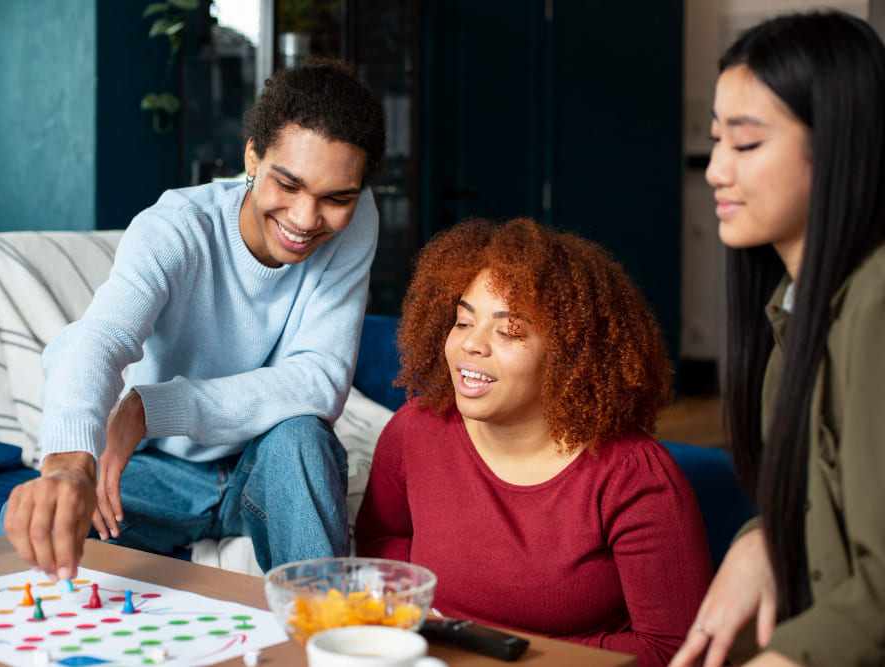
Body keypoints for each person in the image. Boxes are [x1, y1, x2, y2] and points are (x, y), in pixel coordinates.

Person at [0, 56, 387, 581]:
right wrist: (67, 463)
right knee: (12, 541)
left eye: (335, 199)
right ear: (252, 157)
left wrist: (156, 407)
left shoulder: (355, 223)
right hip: (159, 475)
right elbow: (101, 337)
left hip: (266, 469)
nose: (306, 219)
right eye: (287, 185)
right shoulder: (177, 227)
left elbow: (319, 382)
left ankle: (325, 638)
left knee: (299, 436)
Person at [355, 217, 713, 667]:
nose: (472, 345)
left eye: (509, 332)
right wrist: (415, 615)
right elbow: (381, 535)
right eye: (464, 321)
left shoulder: (635, 476)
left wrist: (503, 654)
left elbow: (676, 651)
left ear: (571, 356)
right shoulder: (414, 430)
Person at [669, 11, 885, 667]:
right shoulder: (790, 309)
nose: (715, 171)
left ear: (841, 143)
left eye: (747, 144)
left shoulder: (875, 305)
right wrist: (762, 536)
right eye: (716, 142)